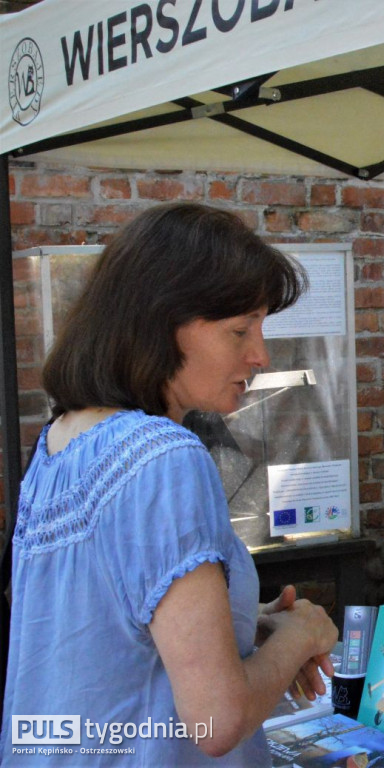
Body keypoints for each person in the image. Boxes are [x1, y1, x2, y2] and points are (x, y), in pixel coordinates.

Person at [0, 203, 338, 765]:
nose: (260, 354)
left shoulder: (61, 440)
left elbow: (107, 633)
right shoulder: (165, 456)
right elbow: (215, 720)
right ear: (163, 322)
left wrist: (248, 624)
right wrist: (302, 634)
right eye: (239, 329)